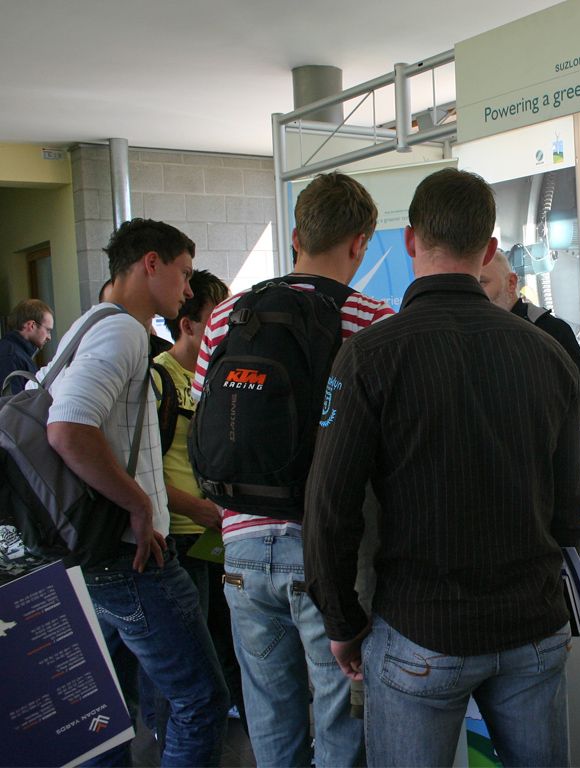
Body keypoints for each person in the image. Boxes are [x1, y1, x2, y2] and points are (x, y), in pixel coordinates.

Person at [303, 167, 580, 768]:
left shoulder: (368, 355)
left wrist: (341, 620)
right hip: (532, 628)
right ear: (488, 249)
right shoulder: (548, 353)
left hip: (420, 629)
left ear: (410, 240)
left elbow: (330, 507)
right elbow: (569, 510)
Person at [192, 171, 394, 768]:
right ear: (359, 243)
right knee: (341, 718)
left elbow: (207, 417)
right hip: (327, 552)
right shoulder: (372, 319)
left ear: (297, 236)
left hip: (239, 548)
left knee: (270, 716)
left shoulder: (226, 316)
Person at [44, 218, 229, 766]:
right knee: (201, 699)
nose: (188, 289)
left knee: (105, 701)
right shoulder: (124, 330)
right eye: (184, 273)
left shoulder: (90, 324)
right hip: (131, 557)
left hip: (97, 552)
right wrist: (140, 504)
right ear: (151, 263)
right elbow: (67, 427)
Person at [147, 269, 247, 741]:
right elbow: (140, 470)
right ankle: (171, 736)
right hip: (181, 538)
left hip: (217, 535)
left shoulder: (218, 374)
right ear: (187, 325)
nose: (226, 328)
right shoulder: (158, 379)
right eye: (215, 318)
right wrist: (197, 509)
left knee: (228, 643)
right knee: (190, 656)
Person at [479, 248, 580, 424]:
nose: (474, 293)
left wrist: (538, 388)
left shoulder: (549, 331)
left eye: (481, 282)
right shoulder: (469, 336)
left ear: (511, 283)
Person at [0, 298, 53, 394]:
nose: (49, 337)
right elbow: (13, 401)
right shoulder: (10, 357)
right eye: (48, 330)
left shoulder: (15, 354)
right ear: (31, 325)